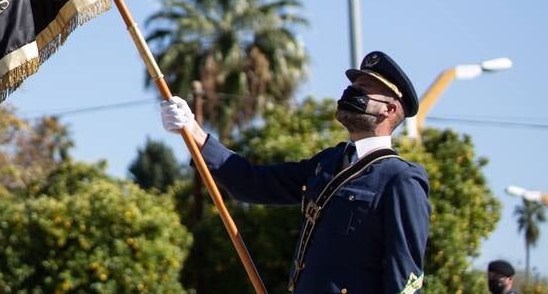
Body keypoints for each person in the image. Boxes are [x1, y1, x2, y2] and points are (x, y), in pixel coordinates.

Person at [161, 50, 430, 293]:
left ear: (390, 109)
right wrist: (193, 131)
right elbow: (255, 183)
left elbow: (405, 277)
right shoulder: (327, 162)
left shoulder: (400, 179)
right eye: (352, 86)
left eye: (363, 90)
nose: (351, 93)